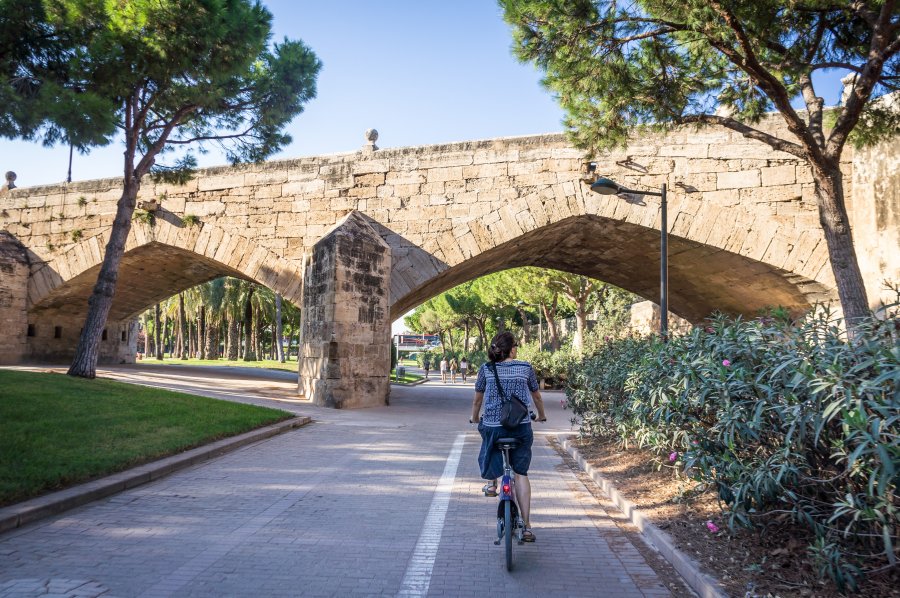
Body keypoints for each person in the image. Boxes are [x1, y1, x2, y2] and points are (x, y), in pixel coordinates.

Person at [470, 331, 546, 542]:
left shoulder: (486, 369)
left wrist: (474, 418)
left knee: (489, 441)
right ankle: (528, 526)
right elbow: (536, 396)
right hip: (520, 426)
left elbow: (477, 401)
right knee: (520, 473)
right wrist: (541, 415)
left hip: (494, 425)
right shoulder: (525, 367)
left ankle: (493, 483)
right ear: (512, 349)